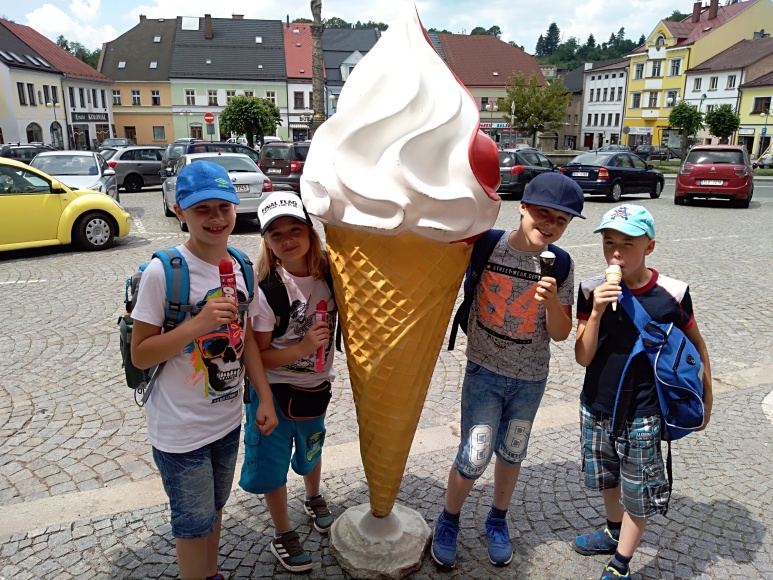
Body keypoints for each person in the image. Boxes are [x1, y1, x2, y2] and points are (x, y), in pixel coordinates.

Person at [131, 161, 278, 580]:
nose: (216, 218)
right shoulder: (164, 272)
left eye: (223, 207)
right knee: (192, 525)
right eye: (202, 209)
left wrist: (264, 397)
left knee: (213, 511)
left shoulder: (241, 266)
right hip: (180, 430)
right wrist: (197, 325)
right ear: (180, 211)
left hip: (226, 421)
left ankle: (210, 573)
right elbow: (141, 354)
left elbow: (246, 340)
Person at [432, 172, 585, 568]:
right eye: (543, 214)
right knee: (475, 453)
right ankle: (448, 520)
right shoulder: (487, 246)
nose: (550, 225)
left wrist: (552, 303)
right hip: (484, 370)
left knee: (513, 451)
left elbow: (561, 332)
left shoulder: (561, 265)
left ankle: (497, 519)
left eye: (561, 220)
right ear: (523, 208)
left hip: (530, 377)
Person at [572, 204, 713, 580]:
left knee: (639, 490)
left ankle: (621, 562)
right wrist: (596, 312)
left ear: (649, 247)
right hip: (596, 403)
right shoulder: (590, 289)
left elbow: (697, 346)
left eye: (627, 244)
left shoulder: (672, 293)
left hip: (644, 411)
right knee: (606, 476)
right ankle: (613, 531)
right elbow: (583, 356)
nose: (616, 253)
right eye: (609, 242)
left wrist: (707, 399)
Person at [239, 191, 337, 573]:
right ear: (266, 241)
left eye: (295, 229)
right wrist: (301, 348)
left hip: (315, 388)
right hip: (274, 391)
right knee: (272, 463)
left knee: (312, 446)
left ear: (311, 231)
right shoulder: (268, 289)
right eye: (276, 234)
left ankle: (313, 496)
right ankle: (283, 531)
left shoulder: (332, 275)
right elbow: (257, 355)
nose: (287, 239)